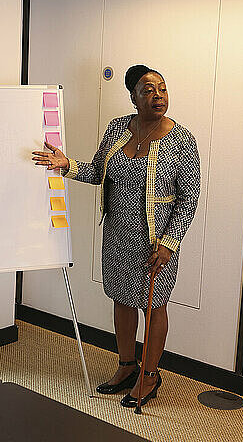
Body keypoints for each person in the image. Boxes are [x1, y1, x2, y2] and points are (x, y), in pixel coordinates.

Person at [32, 65, 200, 406]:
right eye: (148, 90)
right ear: (133, 97)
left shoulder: (181, 140)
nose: (158, 96)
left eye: (163, 89)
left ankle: (150, 376)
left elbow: (189, 197)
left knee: (154, 305)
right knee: (121, 299)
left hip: (155, 242)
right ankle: (126, 366)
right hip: (117, 234)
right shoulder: (116, 129)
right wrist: (66, 165)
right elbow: (98, 172)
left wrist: (170, 243)